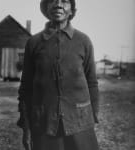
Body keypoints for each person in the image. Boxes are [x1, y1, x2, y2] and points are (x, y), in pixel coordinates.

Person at [17, 0, 100, 149]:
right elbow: (26, 88)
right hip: (44, 125)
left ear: (72, 10)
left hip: (80, 125)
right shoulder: (34, 43)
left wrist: (92, 117)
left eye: (65, 1)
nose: (58, 5)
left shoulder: (84, 41)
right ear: (46, 8)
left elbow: (92, 83)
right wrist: (27, 127)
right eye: (53, 1)